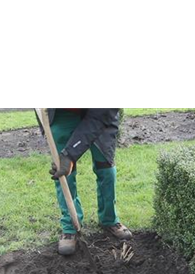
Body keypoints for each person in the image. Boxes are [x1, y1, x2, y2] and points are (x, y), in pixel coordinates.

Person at [42, 108, 132, 255]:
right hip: (62, 113)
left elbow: (100, 116)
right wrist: (66, 157)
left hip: (100, 114)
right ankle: (70, 226)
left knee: (106, 167)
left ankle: (109, 219)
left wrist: (70, 154)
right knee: (63, 170)